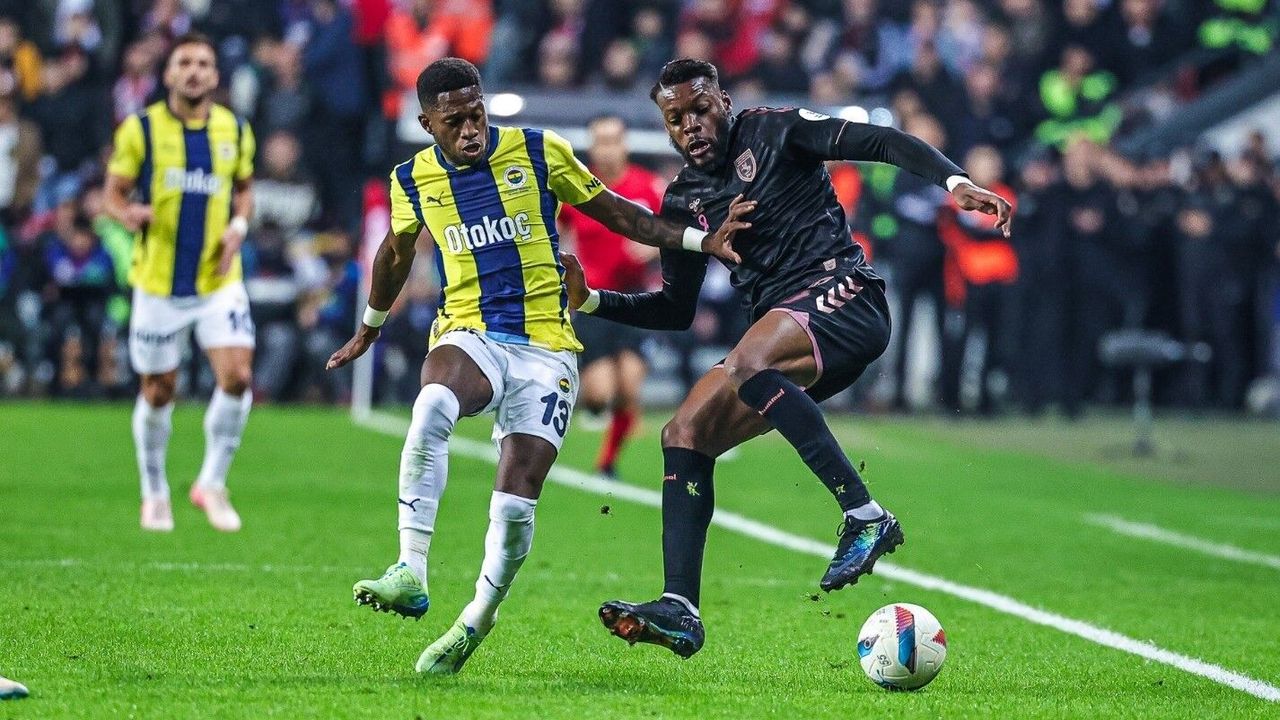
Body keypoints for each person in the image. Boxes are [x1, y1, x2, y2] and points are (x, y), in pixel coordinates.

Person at [563, 58, 1011, 658]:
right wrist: (592, 299)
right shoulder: (685, 200)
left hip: (846, 294)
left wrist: (955, 183)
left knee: (746, 363)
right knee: (683, 431)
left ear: (723, 102)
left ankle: (865, 514)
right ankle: (680, 607)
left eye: (700, 109)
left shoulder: (774, 130)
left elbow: (880, 141)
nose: (691, 125)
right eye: (676, 119)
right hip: (782, 338)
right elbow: (675, 309)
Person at [323, 57, 742, 676]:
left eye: (476, 114)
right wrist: (370, 325)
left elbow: (617, 212)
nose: (470, 130)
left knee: (516, 503)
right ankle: (410, 568)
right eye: (454, 122)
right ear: (427, 124)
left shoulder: (539, 151)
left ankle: (476, 620)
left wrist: (698, 241)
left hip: (547, 347)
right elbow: (394, 252)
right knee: (432, 402)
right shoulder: (412, 179)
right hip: (471, 331)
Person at [104, 33, 257, 533]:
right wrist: (127, 214)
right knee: (158, 389)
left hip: (218, 279)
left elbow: (244, 189)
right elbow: (112, 194)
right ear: (168, 74)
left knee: (237, 377)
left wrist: (238, 227)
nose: (194, 71)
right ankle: (154, 492)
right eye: (184, 63)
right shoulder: (141, 129)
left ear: (215, 75)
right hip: (158, 284)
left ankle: (211, 483)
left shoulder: (235, 129)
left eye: (203, 64)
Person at [559, 115, 664, 479]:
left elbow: (676, 232)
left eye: (613, 140)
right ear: (591, 146)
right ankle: (595, 408)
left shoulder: (648, 187)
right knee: (600, 394)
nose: (606, 149)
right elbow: (555, 232)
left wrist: (654, 247)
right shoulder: (577, 189)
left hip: (636, 300)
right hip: (593, 302)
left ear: (624, 144)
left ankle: (607, 462)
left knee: (629, 385)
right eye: (600, 141)